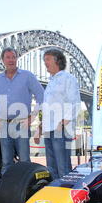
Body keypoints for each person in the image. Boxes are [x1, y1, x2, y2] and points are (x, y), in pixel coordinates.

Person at [0, 48, 44, 176]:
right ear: (3, 60)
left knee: (24, 161)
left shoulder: (27, 76)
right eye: (8, 57)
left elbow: (42, 96)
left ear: (16, 59)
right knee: (6, 161)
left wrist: (32, 117)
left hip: (22, 125)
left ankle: (26, 190)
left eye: (13, 57)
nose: (11, 60)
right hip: (3, 125)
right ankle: (7, 191)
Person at [36, 49, 81, 179]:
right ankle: (56, 192)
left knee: (63, 166)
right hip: (49, 129)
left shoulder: (68, 79)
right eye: (44, 60)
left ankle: (67, 193)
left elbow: (74, 103)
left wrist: (62, 123)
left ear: (58, 61)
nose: (45, 62)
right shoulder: (51, 82)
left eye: (48, 59)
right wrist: (40, 127)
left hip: (60, 130)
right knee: (51, 167)